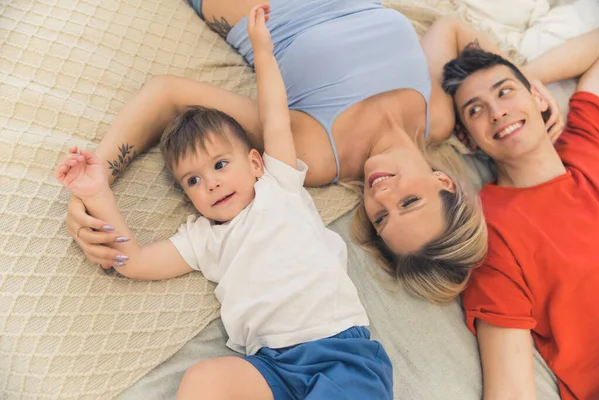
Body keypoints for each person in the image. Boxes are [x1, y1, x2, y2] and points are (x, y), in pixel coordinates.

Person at [65, 0, 562, 303]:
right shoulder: (440, 115)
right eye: (408, 201)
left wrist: (97, 181)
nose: (381, 194)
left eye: (382, 218)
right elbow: (450, 28)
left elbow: (168, 94)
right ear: (444, 182)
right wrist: (520, 80)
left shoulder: (315, 156)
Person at [56, 5, 393, 399]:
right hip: (270, 368)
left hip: (338, 353)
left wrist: (263, 52)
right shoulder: (202, 239)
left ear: (254, 163)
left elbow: (274, 117)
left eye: (219, 164)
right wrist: (97, 193)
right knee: (204, 380)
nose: (212, 184)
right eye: (194, 180)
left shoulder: (278, 183)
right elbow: (136, 261)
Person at [442, 28, 599, 400]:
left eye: (504, 91)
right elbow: (510, 389)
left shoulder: (585, 141)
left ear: (536, 96)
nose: (498, 112)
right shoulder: (492, 232)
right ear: (468, 138)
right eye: (475, 110)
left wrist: (534, 77)